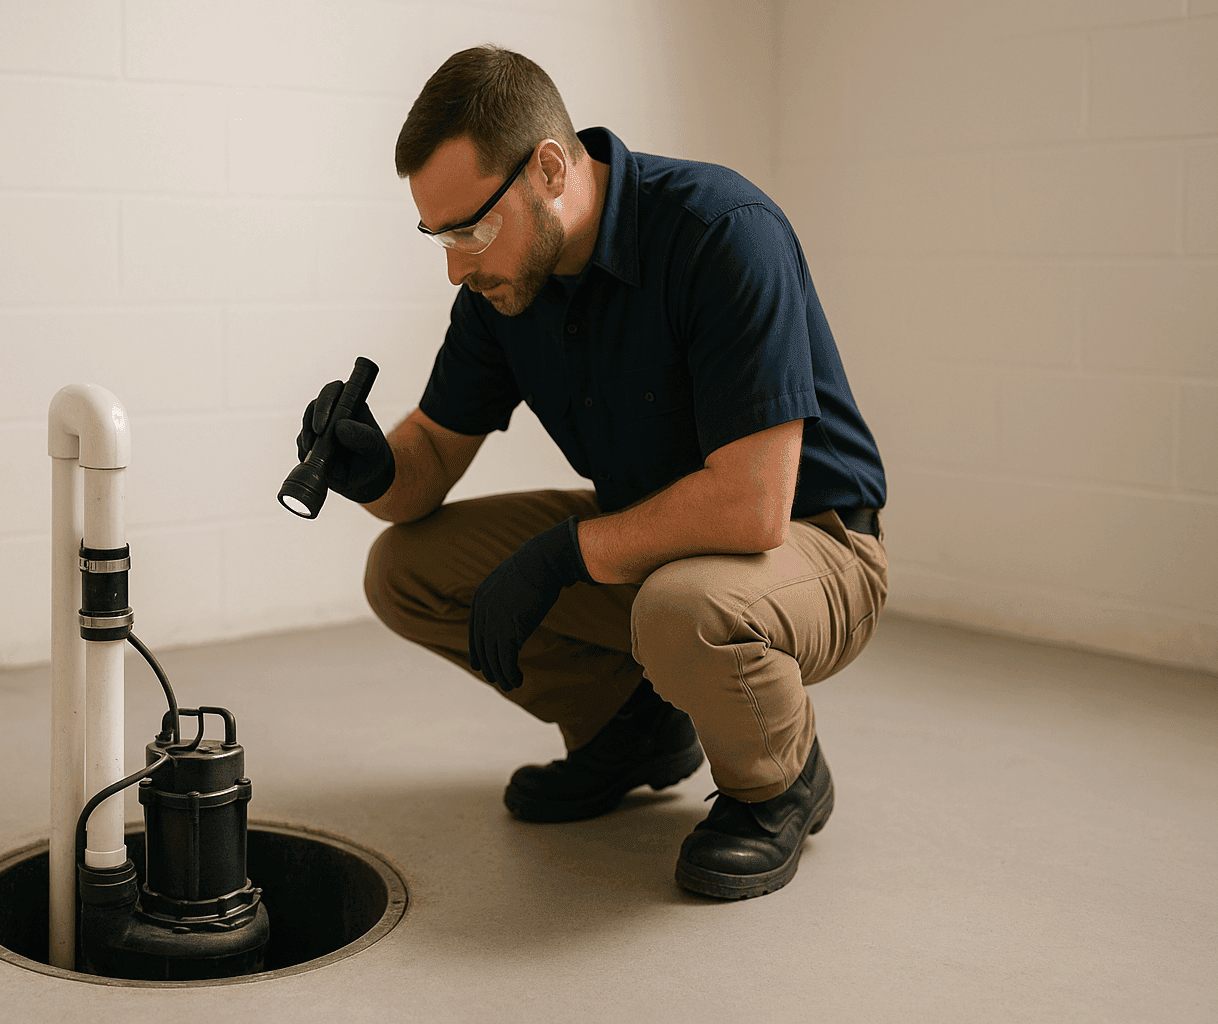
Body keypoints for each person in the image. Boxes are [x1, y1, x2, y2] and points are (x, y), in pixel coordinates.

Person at [295, 45, 888, 900]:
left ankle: (779, 777)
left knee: (683, 610)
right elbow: (427, 460)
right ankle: (635, 726)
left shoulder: (722, 232)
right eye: (440, 235)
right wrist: (374, 465)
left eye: (471, 228)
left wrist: (564, 555)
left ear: (547, 167)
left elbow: (754, 506)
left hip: (816, 544)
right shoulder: (505, 290)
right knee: (405, 570)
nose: (457, 265)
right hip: (655, 547)